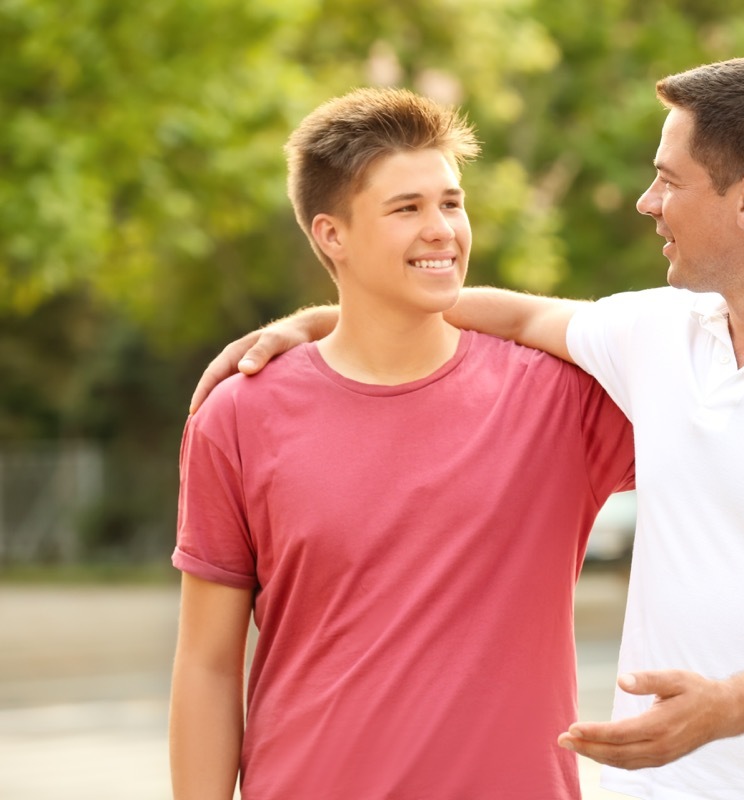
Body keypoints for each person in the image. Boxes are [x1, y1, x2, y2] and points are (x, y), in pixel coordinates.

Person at [186, 61, 744, 798]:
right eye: (408, 208)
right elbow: (523, 311)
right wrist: (328, 319)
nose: (647, 201)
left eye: (667, 181)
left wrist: (721, 709)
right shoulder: (660, 338)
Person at [168, 87, 638, 799]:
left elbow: (716, 362)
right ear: (332, 235)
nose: (442, 229)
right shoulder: (239, 414)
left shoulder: (560, 399)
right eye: (406, 208)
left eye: (450, 202)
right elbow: (206, 664)